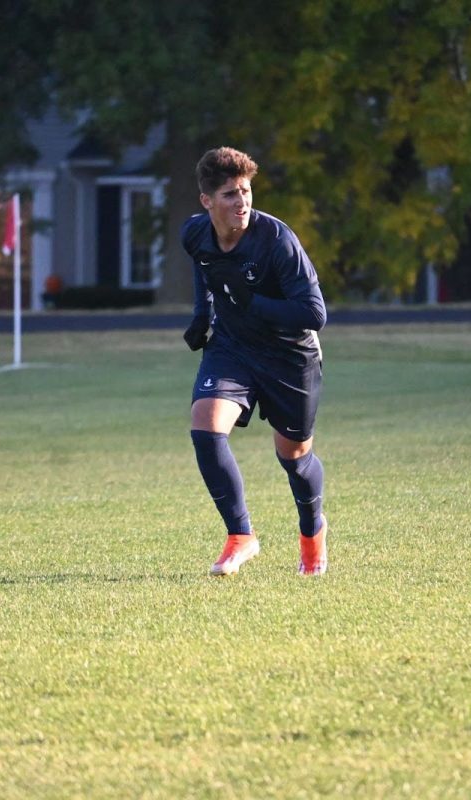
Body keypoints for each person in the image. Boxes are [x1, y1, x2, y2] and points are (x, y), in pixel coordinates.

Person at [181, 146, 329, 576]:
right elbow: (203, 267)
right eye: (229, 194)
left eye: (245, 191)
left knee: (295, 457)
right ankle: (240, 535)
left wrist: (252, 301)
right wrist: (201, 315)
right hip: (232, 347)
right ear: (207, 201)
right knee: (205, 424)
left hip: (290, 356)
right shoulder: (194, 234)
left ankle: (312, 533)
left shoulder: (277, 240)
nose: (242, 202)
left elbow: (315, 314)